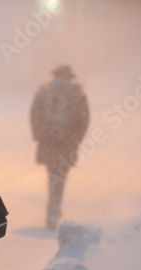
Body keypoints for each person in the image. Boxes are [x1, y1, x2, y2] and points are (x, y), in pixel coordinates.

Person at [30, 65, 89, 230]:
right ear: (70, 77)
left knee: (52, 175)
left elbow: (34, 114)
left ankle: (53, 207)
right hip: (66, 145)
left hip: (48, 144)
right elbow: (83, 120)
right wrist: (75, 140)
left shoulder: (44, 92)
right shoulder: (77, 94)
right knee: (60, 176)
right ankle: (54, 208)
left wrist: (39, 136)